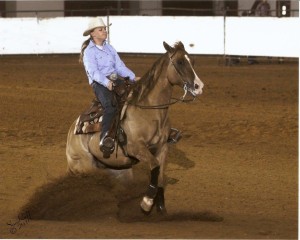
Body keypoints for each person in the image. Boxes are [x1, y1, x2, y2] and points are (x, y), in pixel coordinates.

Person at [80, 17, 140, 157]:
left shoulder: (109, 48)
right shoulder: (89, 52)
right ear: (93, 34)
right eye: (101, 30)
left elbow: (119, 66)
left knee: (135, 97)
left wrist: (132, 77)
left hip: (113, 79)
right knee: (110, 106)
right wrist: (107, 83)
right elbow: (93, 72)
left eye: (105, 29)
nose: (104, 31)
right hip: (99, 83)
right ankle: (105, 137)